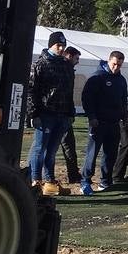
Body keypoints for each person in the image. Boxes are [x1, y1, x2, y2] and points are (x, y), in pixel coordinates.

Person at [26, 31, 75, 197]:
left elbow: (69, 91)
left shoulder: (66, 66)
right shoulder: (39, 65)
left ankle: (49, 182)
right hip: (45, 114)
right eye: (58, 45)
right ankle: (35, 181)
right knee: (39, 149)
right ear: (50, 45)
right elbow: (31, 91)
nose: (61, 48)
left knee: (52, 151)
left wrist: (70, 113)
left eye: (63, 45)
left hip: (62, 114)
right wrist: (33, 114)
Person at [80, 50, 128, 195]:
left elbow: (123, 99)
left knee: (110, 154)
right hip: (98, 122)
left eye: (119, 65)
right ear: (109, 61)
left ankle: (105, 182)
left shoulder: (121, 80)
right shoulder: (97, 77)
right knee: (92, 153)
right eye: (114, 64)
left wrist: (124, 116)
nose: (116, 67)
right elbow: (87, 98)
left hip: (114, 123)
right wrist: (92, 117)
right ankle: (85, 182)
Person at [56, 46, 82, 184]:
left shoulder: (67, 70)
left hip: (64, 114)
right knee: (65, 146)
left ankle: (73, 174)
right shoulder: (64, 70)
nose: (78, 61)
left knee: (68, 146)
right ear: (70, 56)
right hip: (61, 115)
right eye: (76, 58)